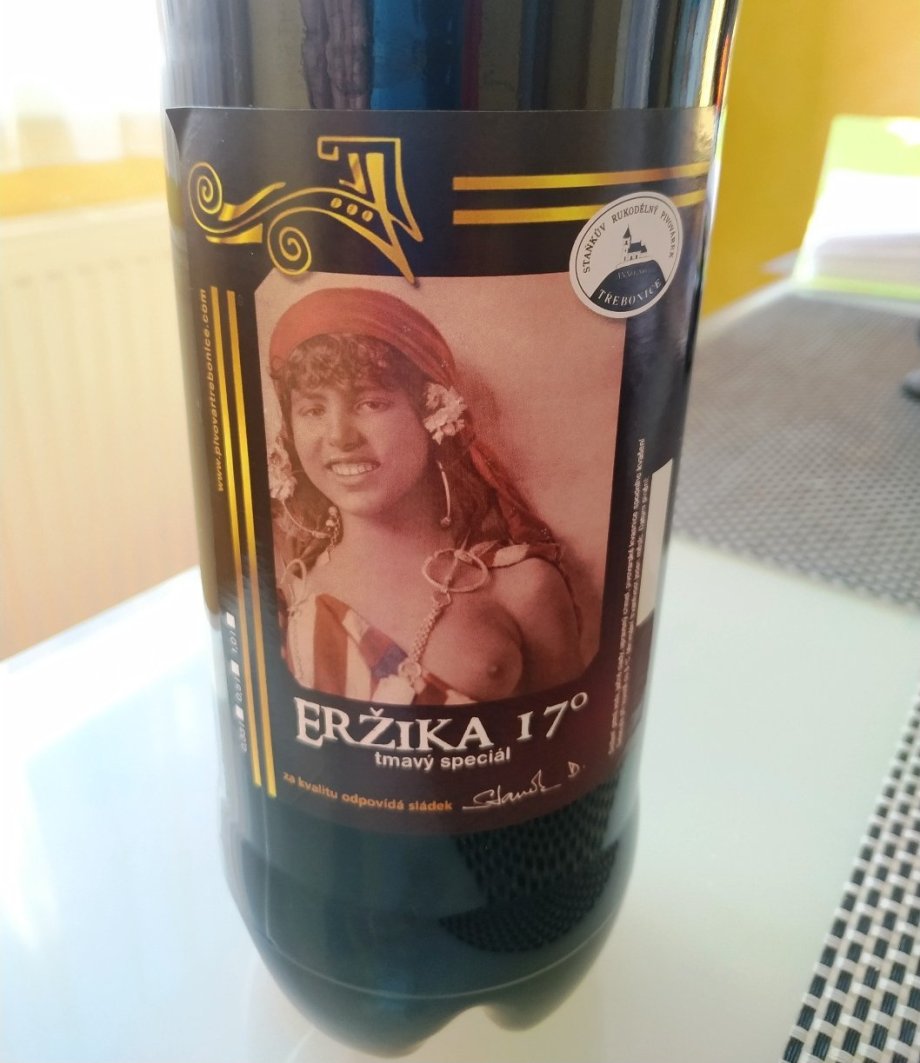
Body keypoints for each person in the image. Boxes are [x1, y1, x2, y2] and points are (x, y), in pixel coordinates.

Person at [266, 286, 582, 705]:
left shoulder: (524, 588)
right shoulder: (290, 589)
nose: (340, 437)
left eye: (370, 403)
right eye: (313, 410)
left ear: (433, 414)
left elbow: (568, 734)